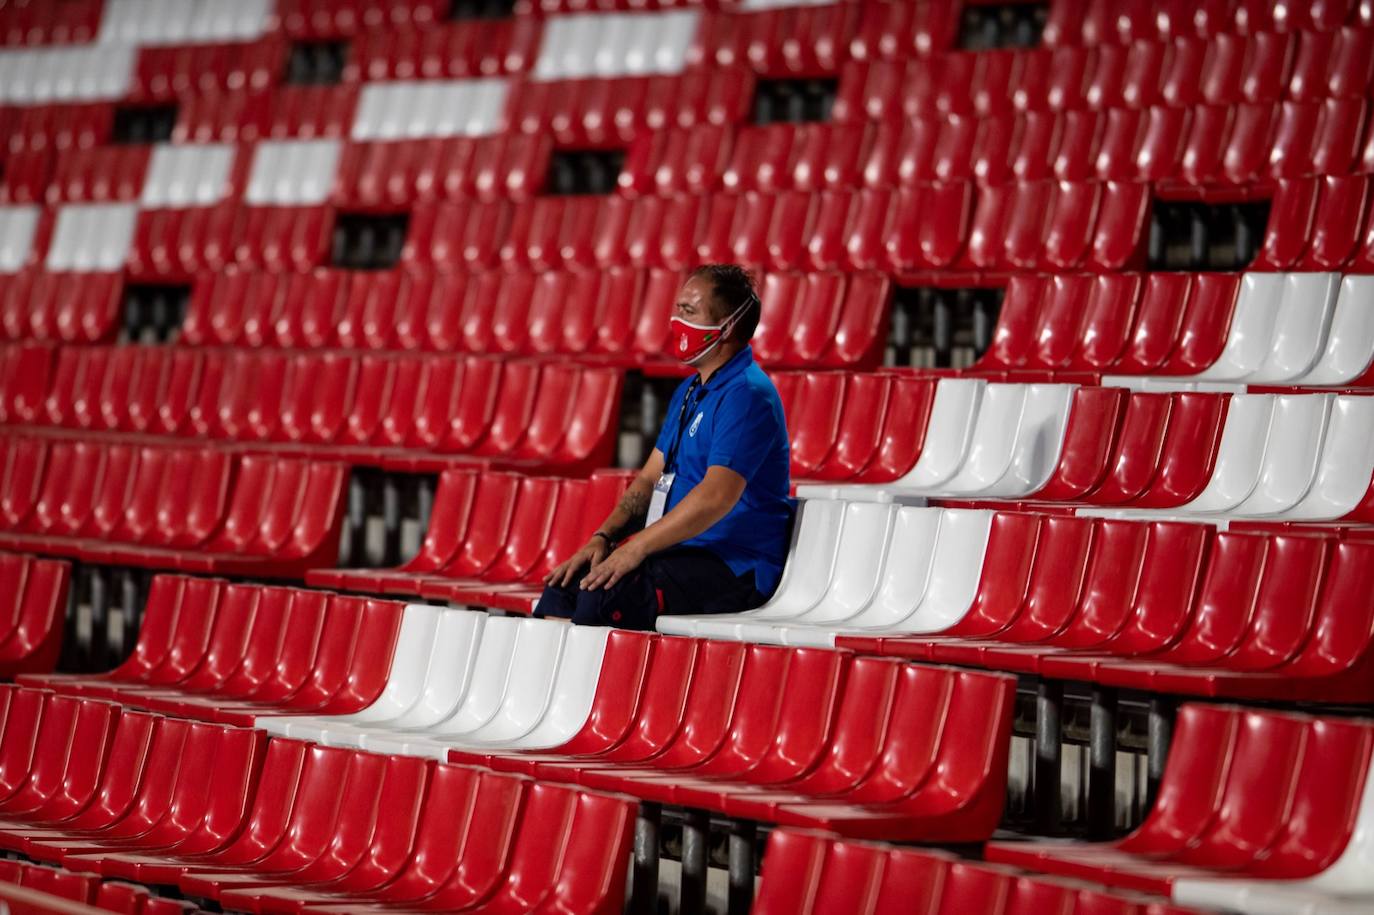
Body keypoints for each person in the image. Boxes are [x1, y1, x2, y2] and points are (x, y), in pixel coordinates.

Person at [534, 264, 793, 630]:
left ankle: (606, 687)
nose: (675, 319)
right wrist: (603, 539)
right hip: (680, 553)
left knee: (605, 598)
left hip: (733, 565)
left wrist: (637, 548)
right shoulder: (690, 392)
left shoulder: (747, 396)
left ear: (728, 326)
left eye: (689, 311)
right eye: (677, 308)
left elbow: (715, 497)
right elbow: (647, 480)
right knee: (564, 588)